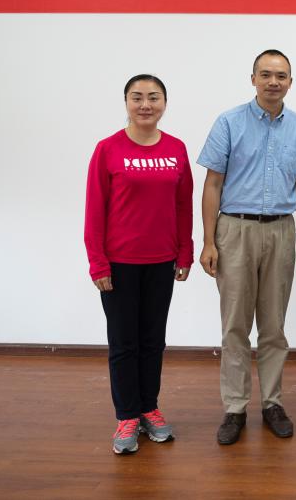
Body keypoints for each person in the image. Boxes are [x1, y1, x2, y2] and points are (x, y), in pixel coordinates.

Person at [197, 49, 296, 443]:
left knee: (273, 325)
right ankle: (234, 408)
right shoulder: (229, 122)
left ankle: (272, 403)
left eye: (280, 76)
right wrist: (208, 240)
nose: (273, 82)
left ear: (290, 82)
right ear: (253, 79)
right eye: (265, 74)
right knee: (235, 325)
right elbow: (213, 183)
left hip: (281, 231)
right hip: (235, 230)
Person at [84, 74, 193, 455]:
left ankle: (149, 408)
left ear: (164, 102)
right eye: (137, 97)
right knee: (123, 342)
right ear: (126, 102)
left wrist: (185, 251)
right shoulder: (108, 149)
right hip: (119, 263)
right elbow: (95, 209)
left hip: (162, 261)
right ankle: (127, 415)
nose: (146, 104)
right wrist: (98, 262)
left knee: (152, 341)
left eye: (153, 97)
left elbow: (183, 205)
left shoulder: (176, 149)